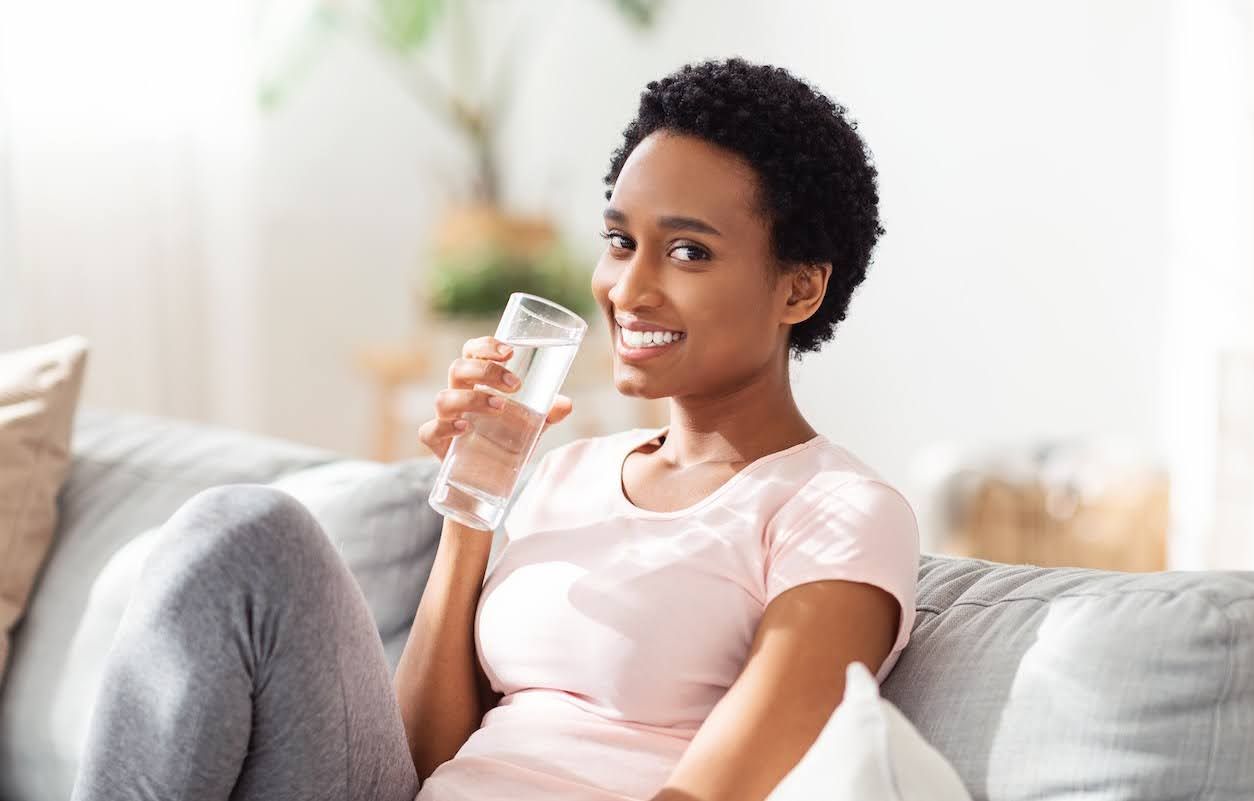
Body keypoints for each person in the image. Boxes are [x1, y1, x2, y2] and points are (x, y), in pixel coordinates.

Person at [71, 57, 920, 801]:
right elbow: (421, 762)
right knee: (240, 530)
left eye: (688, 251)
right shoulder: (569, 471)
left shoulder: (836, 509)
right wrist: (472, 506)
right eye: (620, 241)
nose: (629, 289)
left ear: (800, 289)